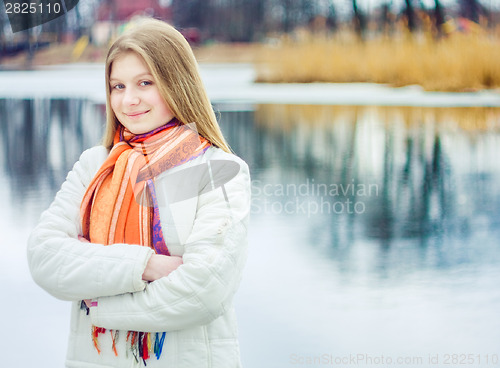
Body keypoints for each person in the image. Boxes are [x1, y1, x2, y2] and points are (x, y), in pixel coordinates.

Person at [27, 17, 251, 368]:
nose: (128, 100)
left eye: (144, 83)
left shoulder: (219, 170)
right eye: (117, 86)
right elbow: (45, 258)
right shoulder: (95, 166)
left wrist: (98, 305)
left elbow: (204, 290)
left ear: (177, 83)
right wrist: (146, 265)